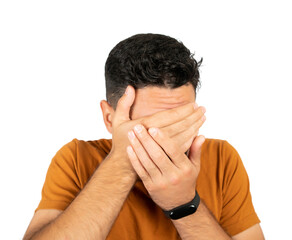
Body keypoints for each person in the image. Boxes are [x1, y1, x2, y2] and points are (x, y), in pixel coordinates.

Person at [23, 33, 265, 240]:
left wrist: (184, 204)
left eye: (182, 120)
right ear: (110, 118)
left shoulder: (222, 158)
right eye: (152, 125)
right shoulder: (76, 158)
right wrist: (122, 164)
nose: (172, 139)